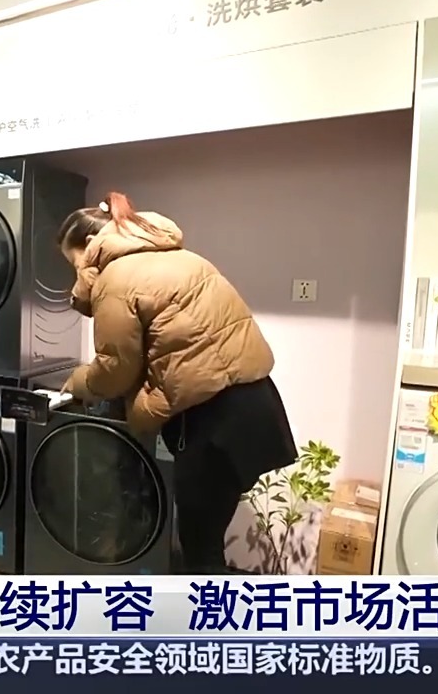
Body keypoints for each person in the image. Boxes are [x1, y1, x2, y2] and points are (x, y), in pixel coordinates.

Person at [56, 191, 298, 574]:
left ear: (90, 244)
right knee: (208, 537)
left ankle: (207, 613)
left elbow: (115, 370)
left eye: (73, 263)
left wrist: (77, 381)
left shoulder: (116, 278)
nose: (76, 274)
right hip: (255, 405)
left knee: (200, 548)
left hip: (212, 420)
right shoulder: (180, 258)